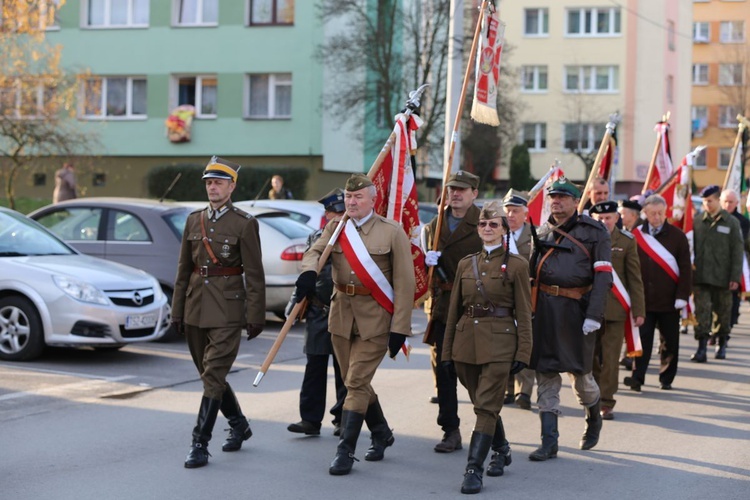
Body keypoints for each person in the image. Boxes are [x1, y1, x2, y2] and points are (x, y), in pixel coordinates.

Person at [296, 174, 415, 476]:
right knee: (354, 382)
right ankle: (381, 432)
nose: (351, 202)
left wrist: (400, 327)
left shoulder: (392, 232)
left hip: (375, 318)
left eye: (358, 197)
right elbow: (313, 252)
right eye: (349, 198)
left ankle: (345, 450)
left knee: (357, 382)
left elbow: (405, 283)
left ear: (373, 199)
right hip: (341, 317)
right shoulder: (336, 229)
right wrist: (309, 271)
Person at [171, 156, 266, 468]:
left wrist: (256, 314)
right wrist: (177, 309)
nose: (212, 187)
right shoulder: (193, 220)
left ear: (231, 186)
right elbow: (184, 269)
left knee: (213, 373)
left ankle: (200, 443)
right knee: (209, 374)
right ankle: (239, 424)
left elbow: (254, 273)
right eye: (209, 182)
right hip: (196, 306)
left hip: (228, 307)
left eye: (218, 182)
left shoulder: (244, 223)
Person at [442, 201, 532, 494]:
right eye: (483, 224)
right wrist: (446, 352)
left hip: (500, 343)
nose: (488, 228)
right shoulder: (466, 264)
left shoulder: (517, 265)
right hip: (466, 343)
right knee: (485, 405)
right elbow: (454, 311)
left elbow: (524, 313)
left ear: (505, 230)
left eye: (494, 224)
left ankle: (473, 470)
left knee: (484, 408)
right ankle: (502, 448)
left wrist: (523, 352)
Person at [528, 177, 612, 461]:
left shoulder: (595, 232)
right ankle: (549, 441)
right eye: (553, 196)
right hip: (544, 312)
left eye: (563, 197)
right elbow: (530, 274)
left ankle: (593, 417)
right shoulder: (542, 231)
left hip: (577, 313)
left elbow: (603, 276)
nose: (556, 201)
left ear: (577, 202)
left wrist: (594, 315)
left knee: (581, 377)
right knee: (546, 373)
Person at [423, 170, 482, 454]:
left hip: (473, 307)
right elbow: (423, 270)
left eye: (462, 189)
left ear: (474, 194)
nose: (455, 194)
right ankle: (450, 430)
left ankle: (488, 429)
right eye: (451, 189)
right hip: (442, 307)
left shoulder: (485, 223)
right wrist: (426, 262)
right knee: (444, 371)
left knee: (473, 373)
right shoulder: (435, 224)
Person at [287, 188, 347, 437]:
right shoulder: (316, 237)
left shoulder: (354, 238)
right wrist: (294, 301)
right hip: (318, 311)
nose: (337, 216)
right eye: (333, 212)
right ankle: (310, 419)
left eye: (341, 212)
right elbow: (306, 272)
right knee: (314, 366)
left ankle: (344, 418)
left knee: (345, 370)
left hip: (344, 311)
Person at [624, 194, 691, 391]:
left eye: (660, 213)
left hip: (669, 299)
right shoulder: (635, 235)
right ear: (644, 213)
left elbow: (686, 268)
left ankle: (666, 377)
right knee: (641, 339)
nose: (657, 217)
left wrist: (682, 296)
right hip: (643, 300)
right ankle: (637, 378)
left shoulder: (677, 236)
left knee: (669, 341)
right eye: (653, 213)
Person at [589, 201, 645, 420]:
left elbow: (635, 278)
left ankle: (606, 401)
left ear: (616, 218)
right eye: (600, 219)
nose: (604, 222)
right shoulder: (585, 238)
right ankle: (591, 396)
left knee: (611, 359)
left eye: (609, 218)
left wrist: (639, 310)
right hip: (589, 308)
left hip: (615, 310)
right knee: (589, 357)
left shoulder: (627, 241)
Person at [691, 185, 743, 362]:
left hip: (723, 277)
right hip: (701, 277)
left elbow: (737, 252)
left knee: (723, 313)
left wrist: (735, 277)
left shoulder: (731, 223)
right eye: (705, 201)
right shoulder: (697, 221)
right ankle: (701, 348)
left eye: (710, 201)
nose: (707, 204)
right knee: (702, 313)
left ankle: (721, 343)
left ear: (717, 200)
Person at [501, 188, 534, 411]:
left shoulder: (535, 236)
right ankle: (507, 389)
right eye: (508, 211)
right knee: (504, 342)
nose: (511, 215)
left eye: (515, 211)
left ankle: (525, 391)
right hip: (502, 297)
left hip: (526, 296)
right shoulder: (497, 232)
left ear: (525, 213)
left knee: (525, 343)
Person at [719, 189, 750, 332]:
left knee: (732, 297)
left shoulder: (743, 222)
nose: (728, 204)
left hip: (734, 265)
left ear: (737, 203)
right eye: (725, 201)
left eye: (731, 202)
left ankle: (727, 328)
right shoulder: (714, 218)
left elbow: (739, 243)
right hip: (716, 266)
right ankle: (717, 330)